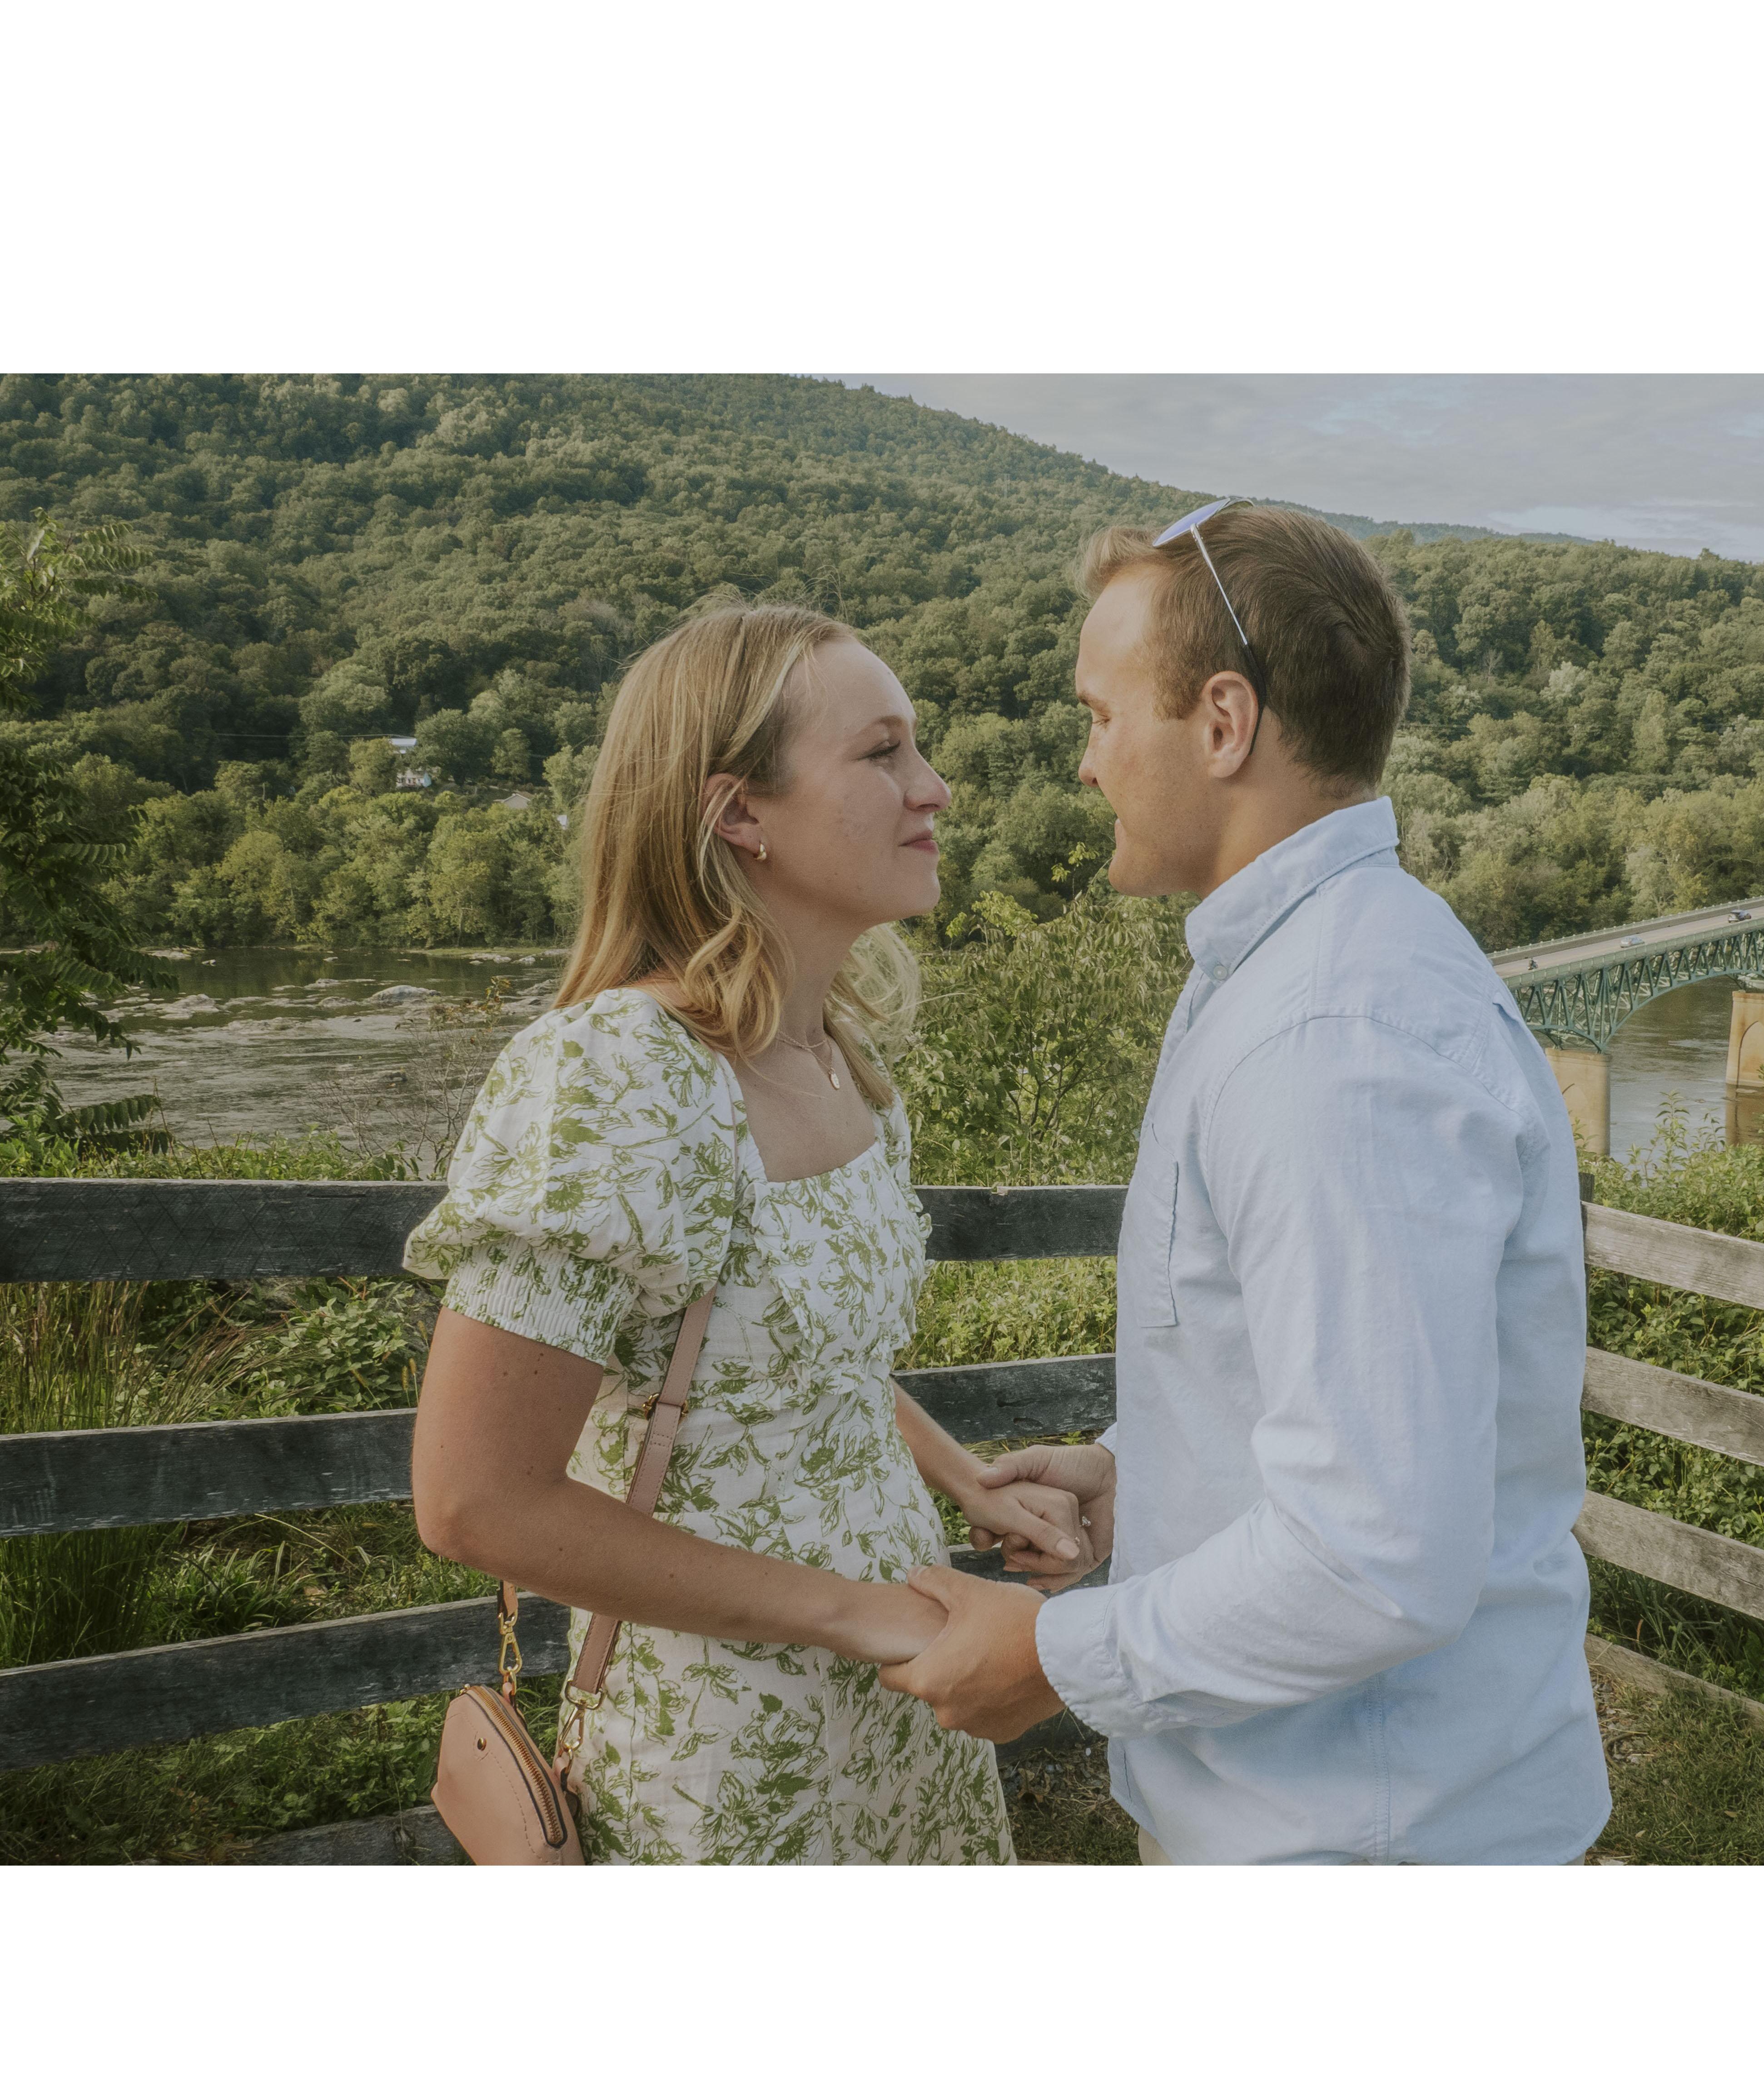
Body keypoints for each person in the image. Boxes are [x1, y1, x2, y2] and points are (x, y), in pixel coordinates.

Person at [880, 501, 1612, 1865]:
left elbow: (1374, 1554)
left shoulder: (1332, 1038)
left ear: (1223, 723)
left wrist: (1055, 1655)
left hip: (1356, 1837)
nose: (1086, 762)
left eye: (1102, 716)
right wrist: (1142, 1472)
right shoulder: (1294, 974)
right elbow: (1325, 1396)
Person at [405, 601, 1086, 1865]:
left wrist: (961, 1476)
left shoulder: (842, 1062)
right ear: (737, 814)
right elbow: (472, 1500)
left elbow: (800, 1356)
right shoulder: (616, 1076)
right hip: (723, 1755)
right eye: (882, 753)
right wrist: (858, 1617)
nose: (934, 788)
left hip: (908, 1717)